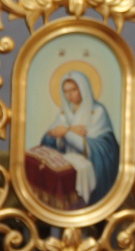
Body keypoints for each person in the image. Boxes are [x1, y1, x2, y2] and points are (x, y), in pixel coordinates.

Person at [39, 71, 121, 208]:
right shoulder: (64, 113)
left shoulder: (97, 111)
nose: (69, 95)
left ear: (83, 88)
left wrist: (65, 133)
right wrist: (68, 131)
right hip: (68, 164)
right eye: (66, 91)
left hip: (92, 167)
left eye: (73, 90)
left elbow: (99, 148)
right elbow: (49, 137)